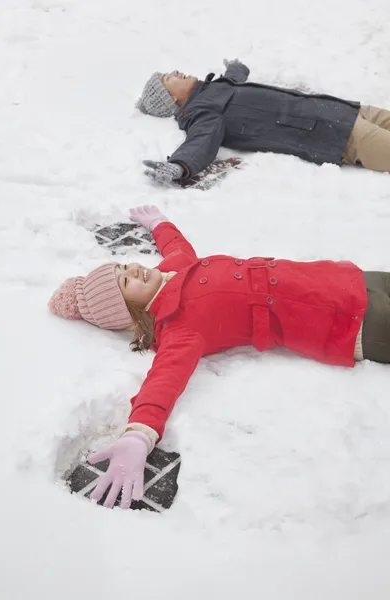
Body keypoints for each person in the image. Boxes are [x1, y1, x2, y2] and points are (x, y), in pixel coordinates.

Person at [49, 205, 390, 509]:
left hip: (344, 281)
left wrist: (159, 224)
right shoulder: (179, 327)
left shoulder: (176, 269)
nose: (135, 269)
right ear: (130, 314)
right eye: (125, 282)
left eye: (125, 266)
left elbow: (177, 247)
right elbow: (163, 381)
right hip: (352, 322)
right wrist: (138, 434)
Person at [136, 60, 390, 184]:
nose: (176, 72)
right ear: (171, 98)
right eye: (168, 78)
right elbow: (201, 141)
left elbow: (234, 80)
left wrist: (237, 67)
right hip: (338, 135)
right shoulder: (202, 111)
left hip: (343, 110)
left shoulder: (212, 89)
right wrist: (180, 166)